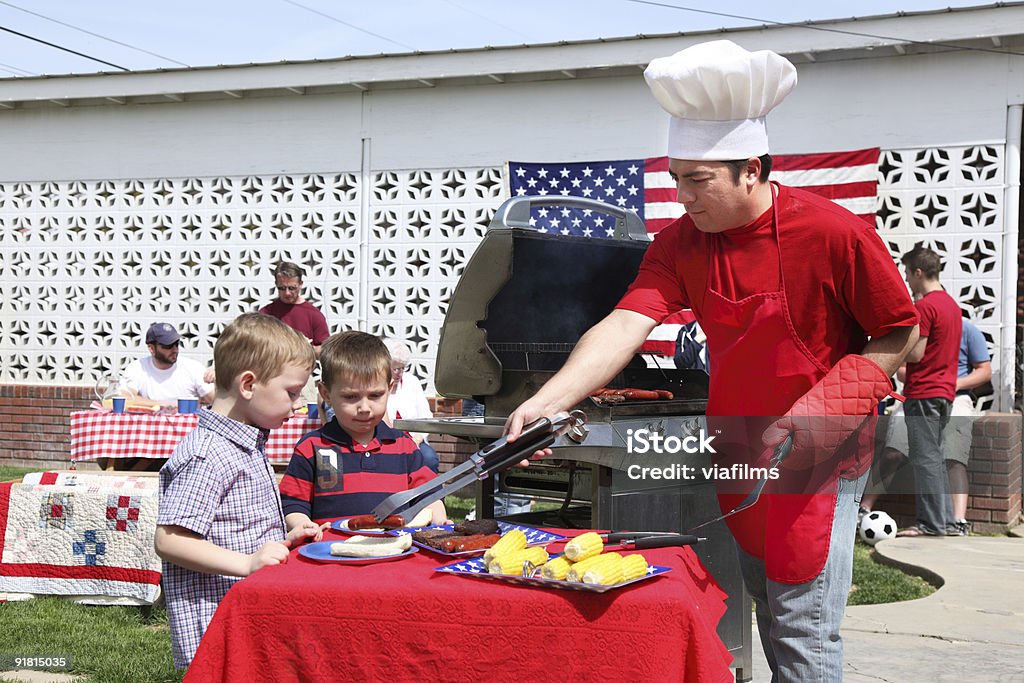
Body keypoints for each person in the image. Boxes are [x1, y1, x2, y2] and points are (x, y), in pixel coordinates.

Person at [504, 40, 919, 681]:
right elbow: (624, 324)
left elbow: (900, 332)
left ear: (750, 170)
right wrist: (546, 401)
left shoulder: (833, 232)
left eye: (698, 181)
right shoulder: (680, 243)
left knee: (803, 625)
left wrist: (823, 412)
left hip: (820, 450)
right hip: (738, 443)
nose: (683, 196)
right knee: (766, 604)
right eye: (677, 178)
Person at [154, 313, 322, 669]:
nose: (298, 404)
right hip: (217, 628)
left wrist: (286, 536)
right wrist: (247, 564)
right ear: (248, 385)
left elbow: (238, 524)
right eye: (291, 392)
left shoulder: (244, 445)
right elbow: (170, 540)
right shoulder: (209, 454)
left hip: (245, 617)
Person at [279, 331, 447, 529]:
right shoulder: (312, 447)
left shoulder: (404, 446)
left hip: (395, 553)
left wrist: (440, 522)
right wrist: (303, 525)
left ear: (389, 388)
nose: (365, 408)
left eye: (375, 395)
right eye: (351, 397)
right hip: (329, 553)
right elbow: (292, 504)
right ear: (326, 394)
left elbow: (429, 496)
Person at [861, 316, 991, 536]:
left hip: (956, 397)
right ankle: (863, 509)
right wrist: (920, 379)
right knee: (894, 452)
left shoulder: (966, 329)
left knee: (954, 457)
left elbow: (984, 370)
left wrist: (951, 383)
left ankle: (958, 521)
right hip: (915, 395)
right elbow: (900, 368)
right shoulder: (914, 332)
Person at [890, 247, 962, 538]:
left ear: (918, 272)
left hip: (923, 392)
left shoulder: (925, 307)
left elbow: (917, 353)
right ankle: (943, 522)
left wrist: (894, 351)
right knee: (936, 456)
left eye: (907, 273)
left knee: (926, 458)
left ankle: (931, 525)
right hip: (944, 392)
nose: (906, 280)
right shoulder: (952, 306)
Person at [118, 322, 215, 409]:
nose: (175, 350)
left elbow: (215, 400)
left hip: (187, 427)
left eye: (176, 344)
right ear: (151, 348)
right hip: (150, 426)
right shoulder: (137, 368)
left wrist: (220, 379)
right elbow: (125, 398)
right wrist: (164, 405)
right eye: (168, 346)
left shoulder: (193, 368)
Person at [381, 337, 440, 473]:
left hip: (414, 440)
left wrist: (418, 438)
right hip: (386, 442)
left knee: (429, 459)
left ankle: (430, 494)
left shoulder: (412, 382)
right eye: (395, 368)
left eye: (402, 368)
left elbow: (426, 416)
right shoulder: (376, 386)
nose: (399, 373)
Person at [259, 261, 330, 356]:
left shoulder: (314, 315)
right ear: (276, 284)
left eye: (292, 288)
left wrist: (304, 349)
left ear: (300, 284)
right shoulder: (265, 314)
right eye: (282, 288)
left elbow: (325, 351)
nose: (287, 293)